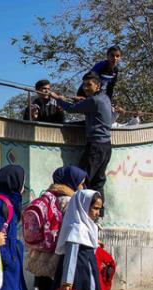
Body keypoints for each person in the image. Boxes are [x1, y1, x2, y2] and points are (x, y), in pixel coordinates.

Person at [27, 165, 87, 290]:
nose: (82, 186)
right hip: (60, 258)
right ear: (71, 181)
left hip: (41, 256)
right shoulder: (70, 201)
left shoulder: (47, 197)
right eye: (81, 182)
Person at [49, 72, 112, 216]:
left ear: (98, 85)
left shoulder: (94, 101)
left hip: (95, 146)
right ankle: (98, 214)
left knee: (84, 180)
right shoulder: (104, 98)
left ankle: (84, 213)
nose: (86, 88)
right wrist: (82, 100)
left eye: (89, 85)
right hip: (106, 146)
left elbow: (71, 109)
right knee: (98, 181)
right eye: (84, 85)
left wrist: (58, 99)